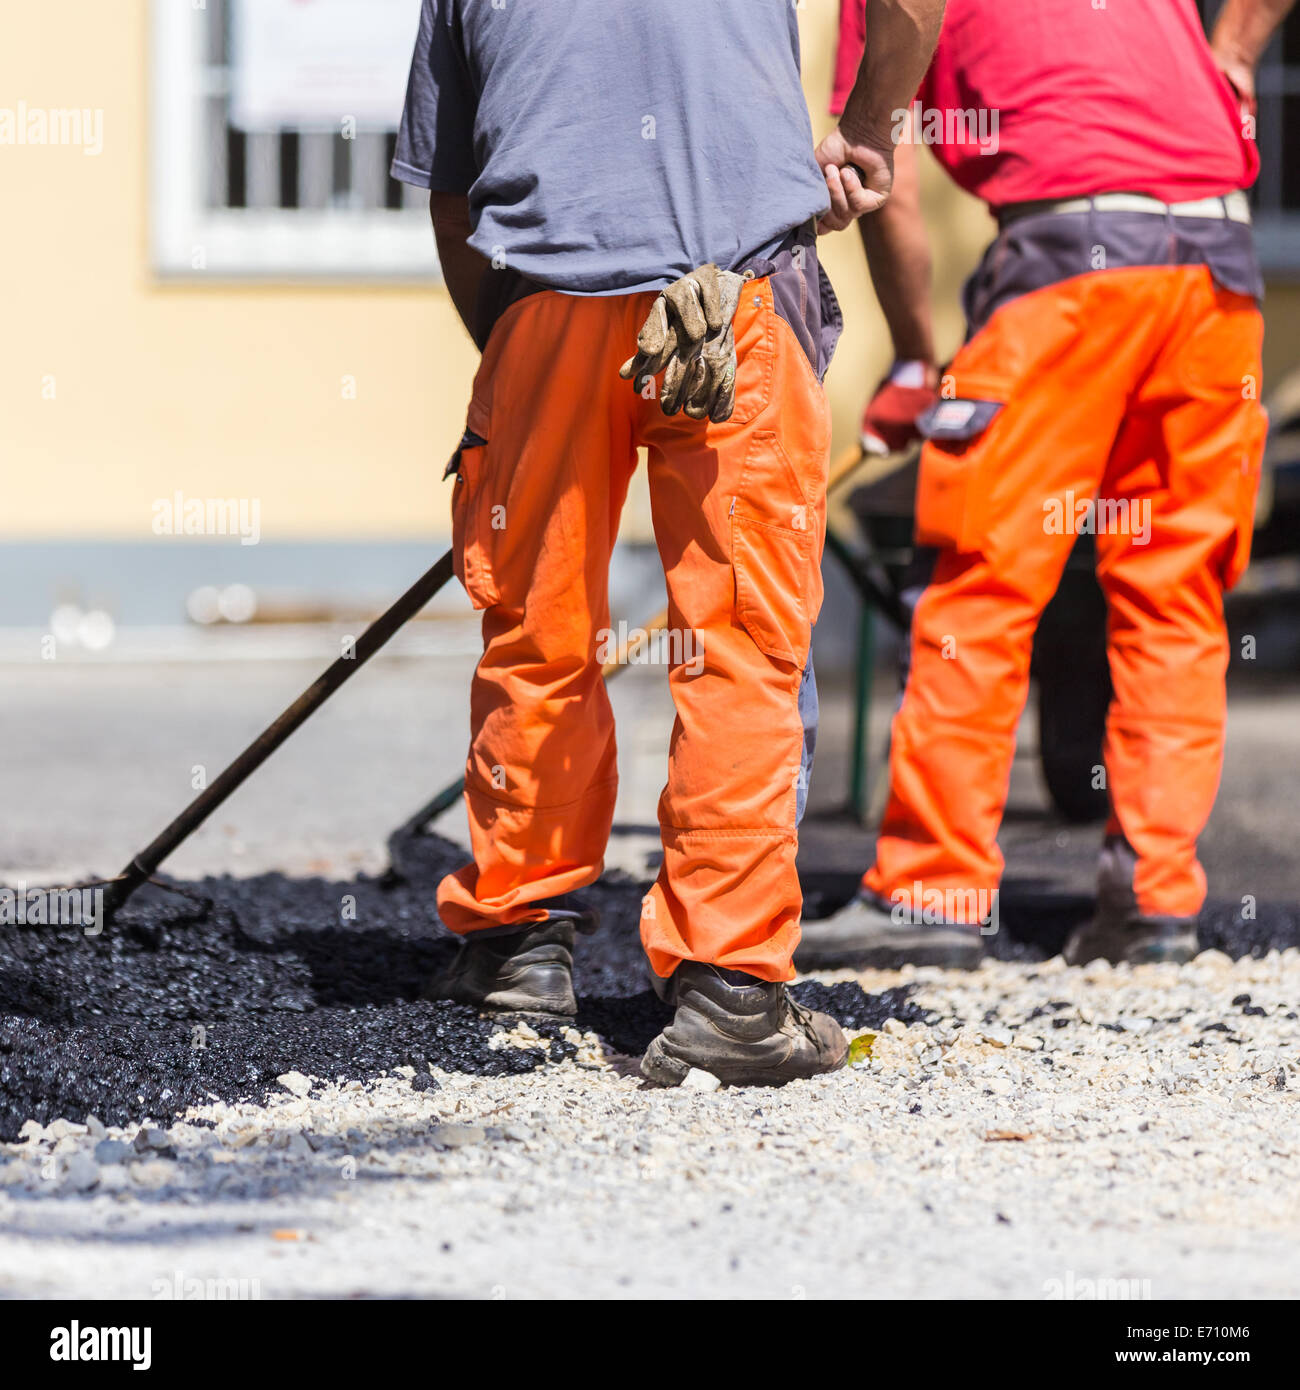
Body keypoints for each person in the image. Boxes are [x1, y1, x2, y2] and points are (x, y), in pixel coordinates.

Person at [391, 0, 946, 1084]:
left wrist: (513, 368)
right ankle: (730, 990)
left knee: (537, 625)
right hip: (737, 290)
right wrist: (870, 124)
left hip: (545, 295)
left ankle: (517, 942)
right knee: (740, 638)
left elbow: (452, 198)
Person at [797, 0, 1294, 973]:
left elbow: (875, 168)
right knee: (1176, 591)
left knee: (980, 581)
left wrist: (911, 359)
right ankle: (1153, 901)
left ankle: (930, 891)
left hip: (1070, 266)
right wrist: (1231, 52)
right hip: (1218, 267)